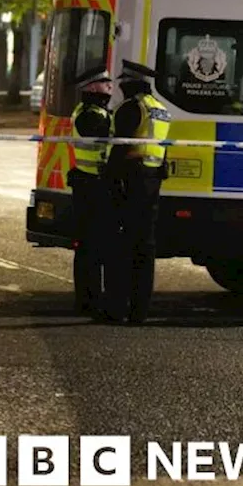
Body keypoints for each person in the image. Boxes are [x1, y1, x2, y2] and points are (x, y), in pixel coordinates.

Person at [103, 60, 171, 323]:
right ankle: (140, 309)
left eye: (123, 84)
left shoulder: (132, 108)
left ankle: (118, 306)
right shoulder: (160, 109)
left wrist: (111, 179)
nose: (120, 89)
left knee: (122, 246)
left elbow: (121, 147)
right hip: (152, 181)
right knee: (145, 247)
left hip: (129, 180)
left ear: (131, 84)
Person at [67, 67, 115, 317]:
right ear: (92, 87)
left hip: (94, 185)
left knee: (95, 247)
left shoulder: (97, 112)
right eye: (105, 83)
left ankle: (92, 298)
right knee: (90, 248)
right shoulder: (89, 115)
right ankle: (88, 301)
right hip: (90, 187)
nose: (110, 86)